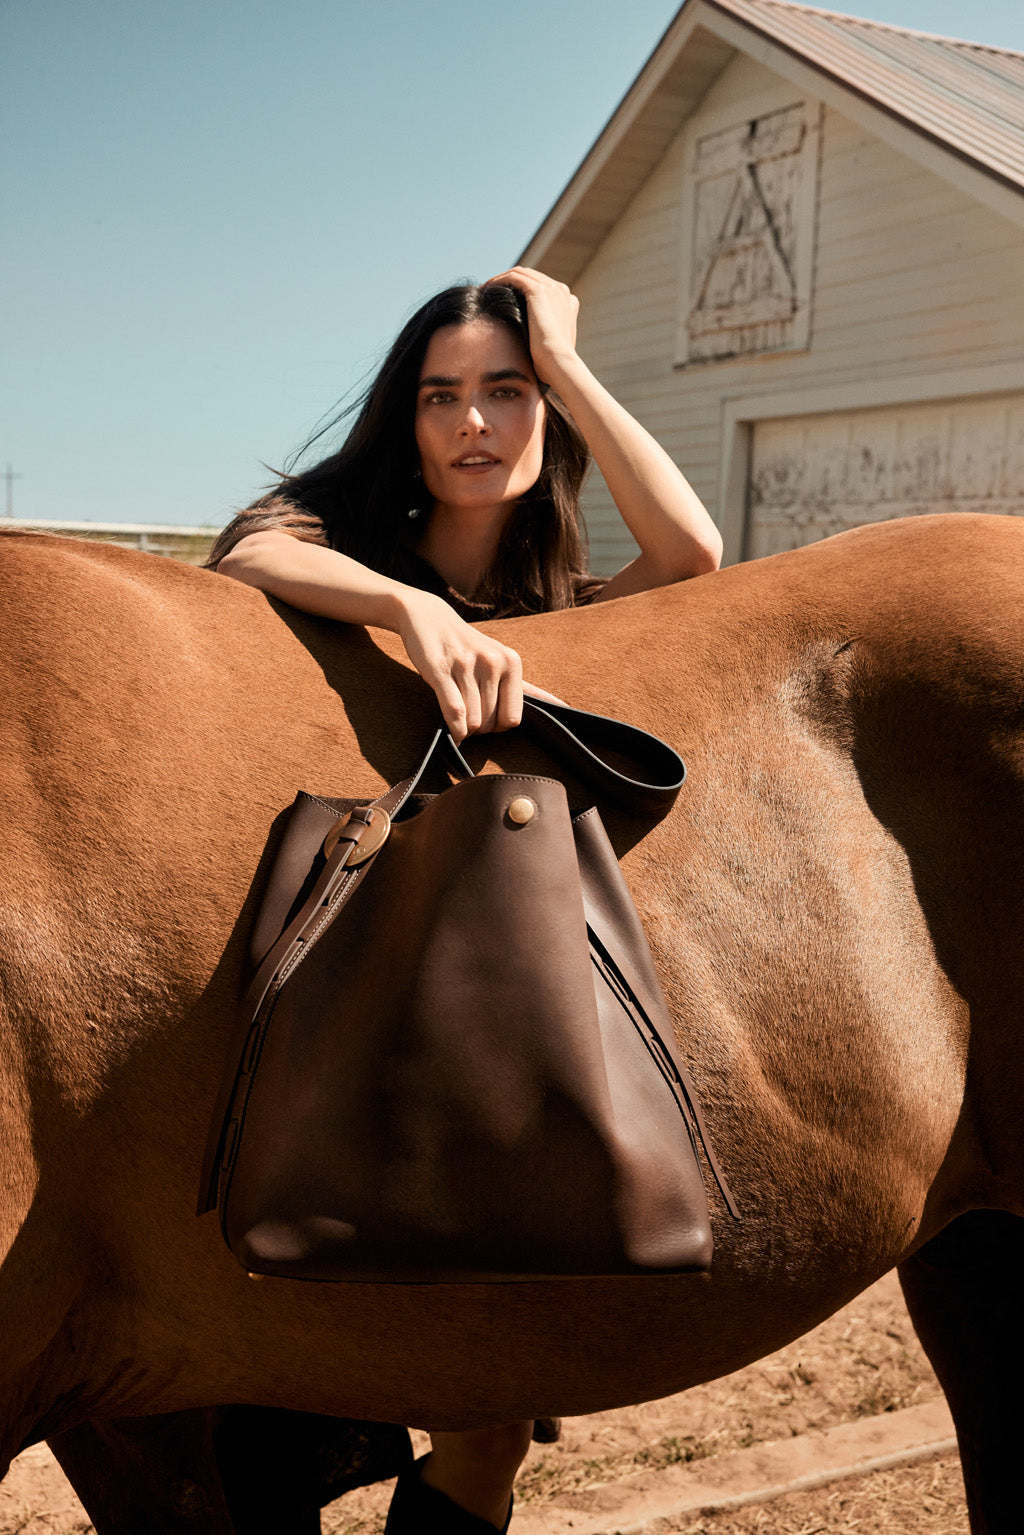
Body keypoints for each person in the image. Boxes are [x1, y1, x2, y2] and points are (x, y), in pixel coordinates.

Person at [209, 266, 723, 1533]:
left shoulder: (566, 604)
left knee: (486, 1428)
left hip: (481, 1022)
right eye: (442, 395)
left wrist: (572, 358)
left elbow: (695, 554)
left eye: (507, 390)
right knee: (269, 1426)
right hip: (329, 994)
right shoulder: (349, 543)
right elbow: (245, 548)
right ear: (409, 414)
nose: (473, 423)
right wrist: (409, 605)